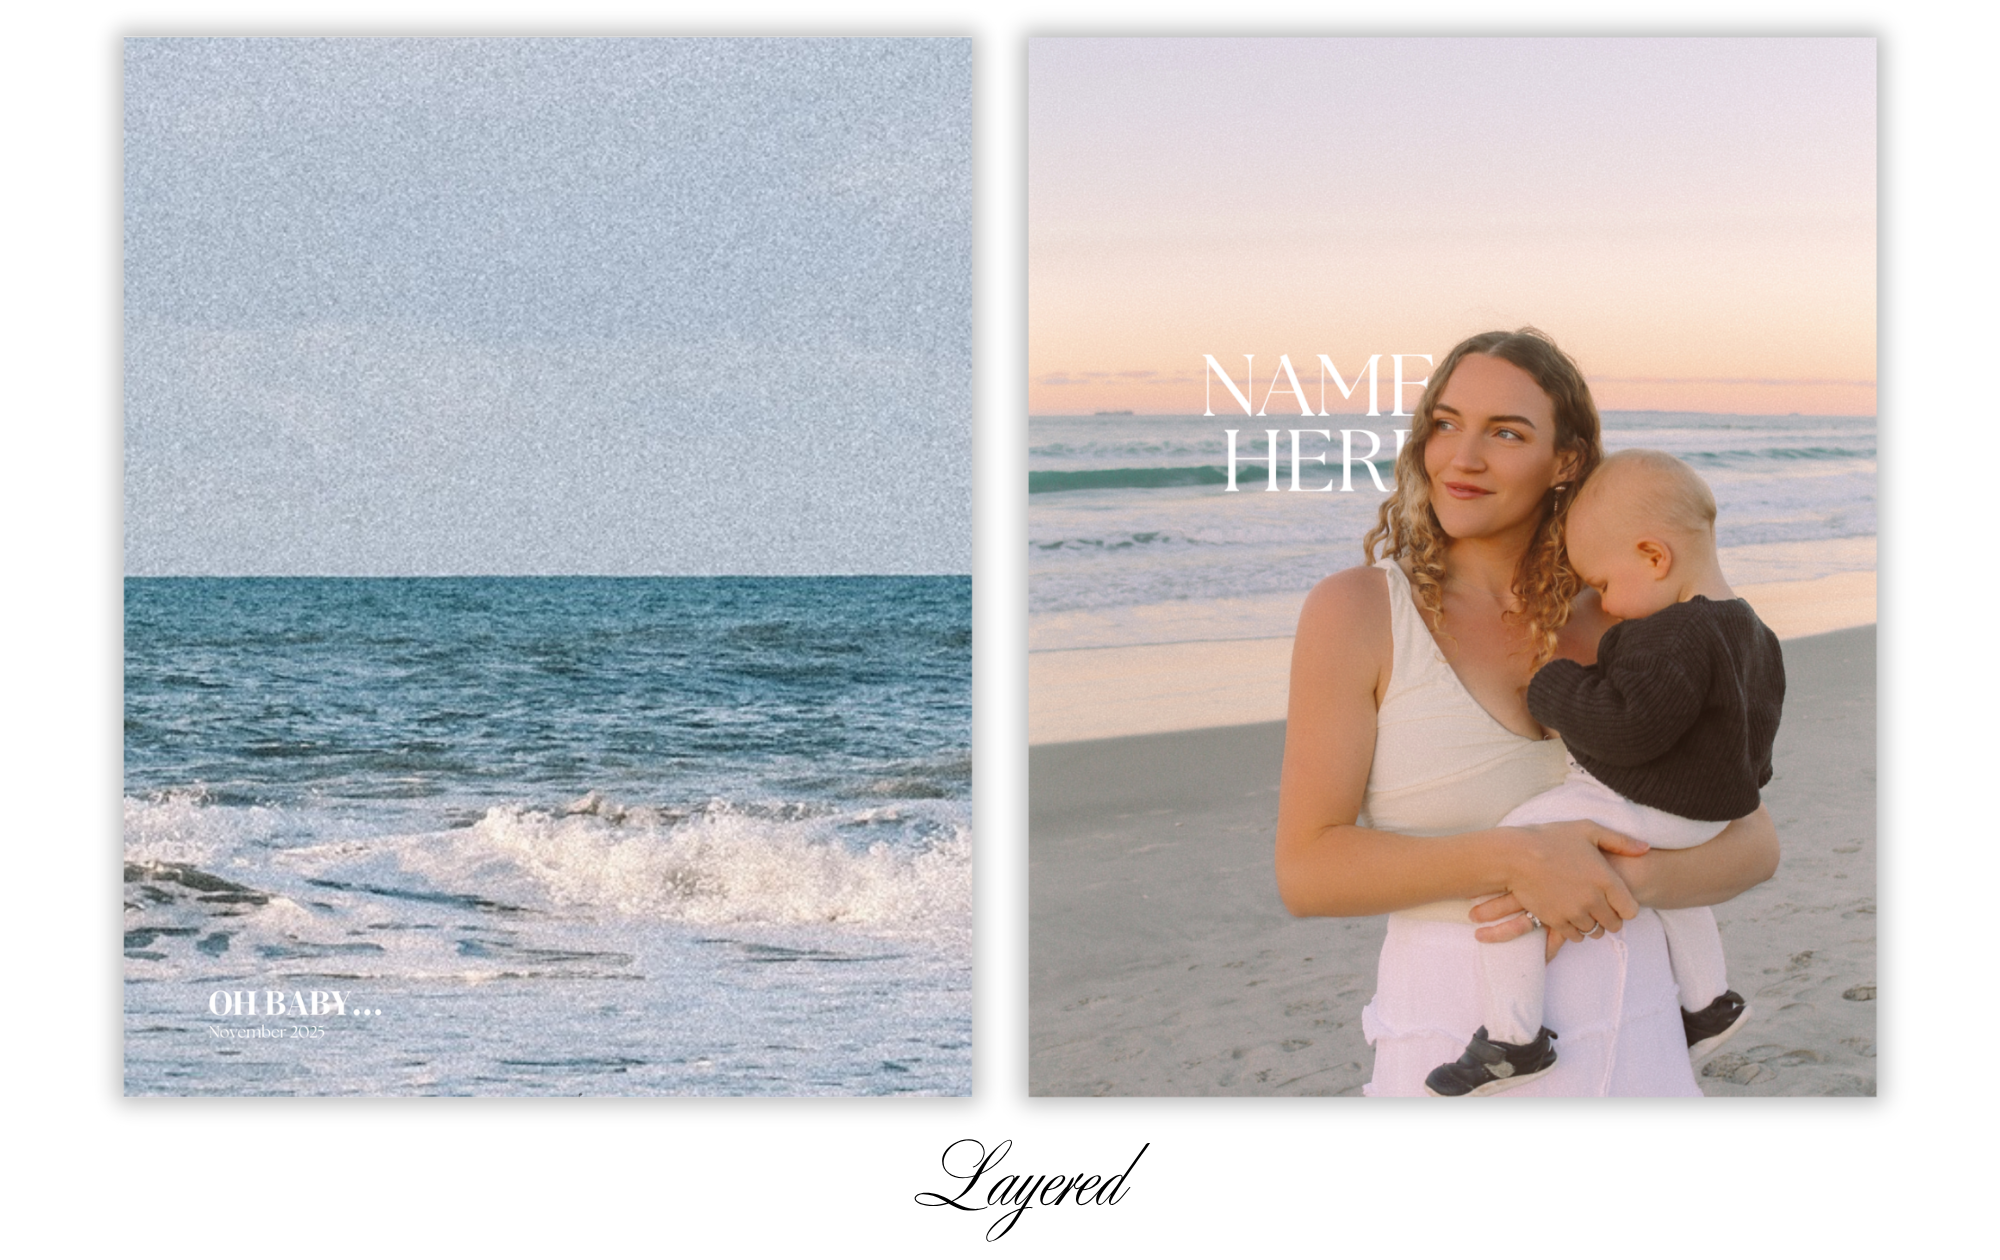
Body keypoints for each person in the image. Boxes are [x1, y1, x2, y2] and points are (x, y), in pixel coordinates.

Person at [1273, 328, 1780, 1097]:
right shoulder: (1359, 613)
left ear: (1566, 460)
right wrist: (1520, 859)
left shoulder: (1629, 617)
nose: (1461, 457)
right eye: (1444, 424)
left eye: (1505, 433)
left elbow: (1752, 842)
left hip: (1636, 1034)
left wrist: (1608, 879)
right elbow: (1307, 871)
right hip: (1453, 1040)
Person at [1423, 449, 1785, 1097]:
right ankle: (1709, 1002)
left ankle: (1512, 1039)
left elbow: (1629, 726)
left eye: (1606, 583)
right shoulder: (1753, 631)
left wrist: (1553, 684)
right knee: (1682, 899)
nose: (1608, 606)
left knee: (1516, 844)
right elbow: (1754, 736)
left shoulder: (1672, 633)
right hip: (1714, 815)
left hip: (1658, 807)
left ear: (1654, 557)